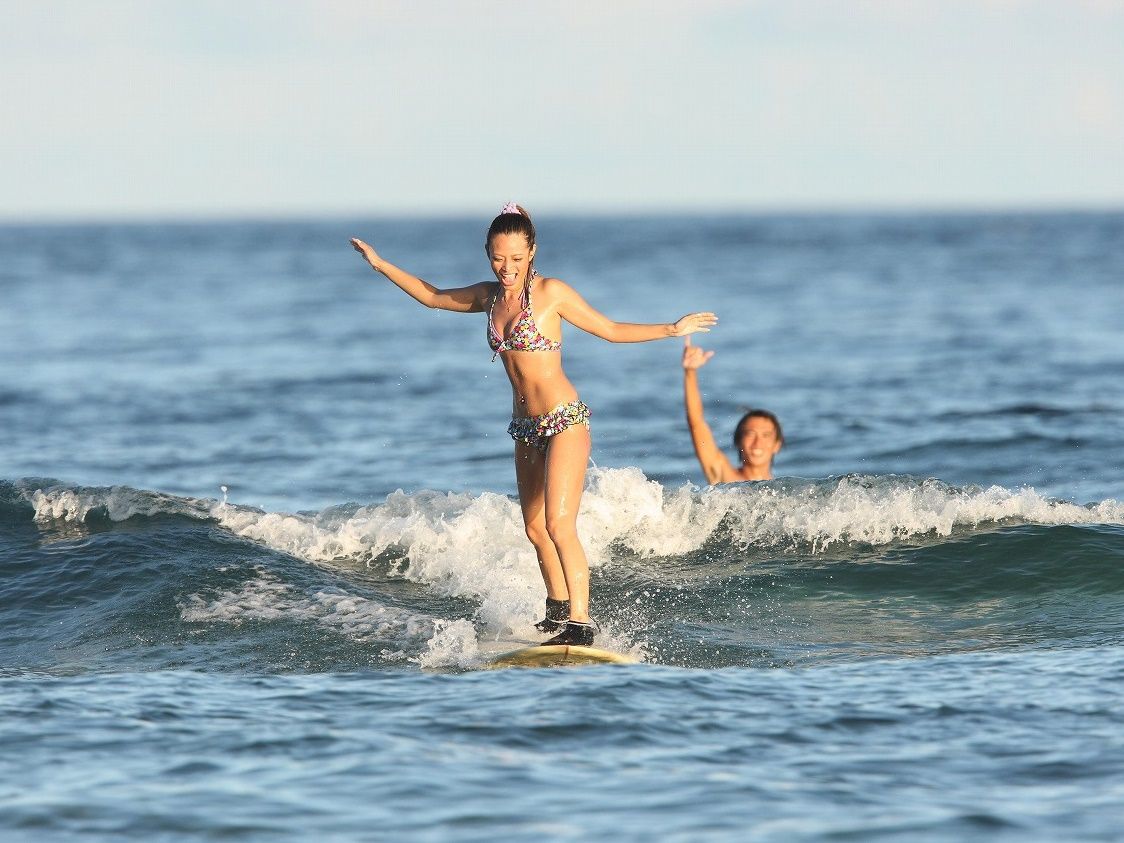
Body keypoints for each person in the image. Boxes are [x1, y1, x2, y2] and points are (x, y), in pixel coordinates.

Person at [351, 203, 717, 646]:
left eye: (517, 259)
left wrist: (671, 329)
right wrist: (380, 264)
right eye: (498, 258)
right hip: (525, 428)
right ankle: (558, 610)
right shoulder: (488, 298)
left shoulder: (551, 294)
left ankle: (581, 622)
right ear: (488, 252)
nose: (507, 268)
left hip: (564, 421)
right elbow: (432, 296)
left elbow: (609, 328)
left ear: (532, 252)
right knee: (534, 528)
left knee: (560, 526)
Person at [682, 336, 783, 483]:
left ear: (776, 445)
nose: (757, 443)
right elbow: (696, 422)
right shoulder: (724, 477)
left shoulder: (785, 492)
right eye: (750, 434)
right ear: (738, 441)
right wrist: (690, 372)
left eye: (766, 435)